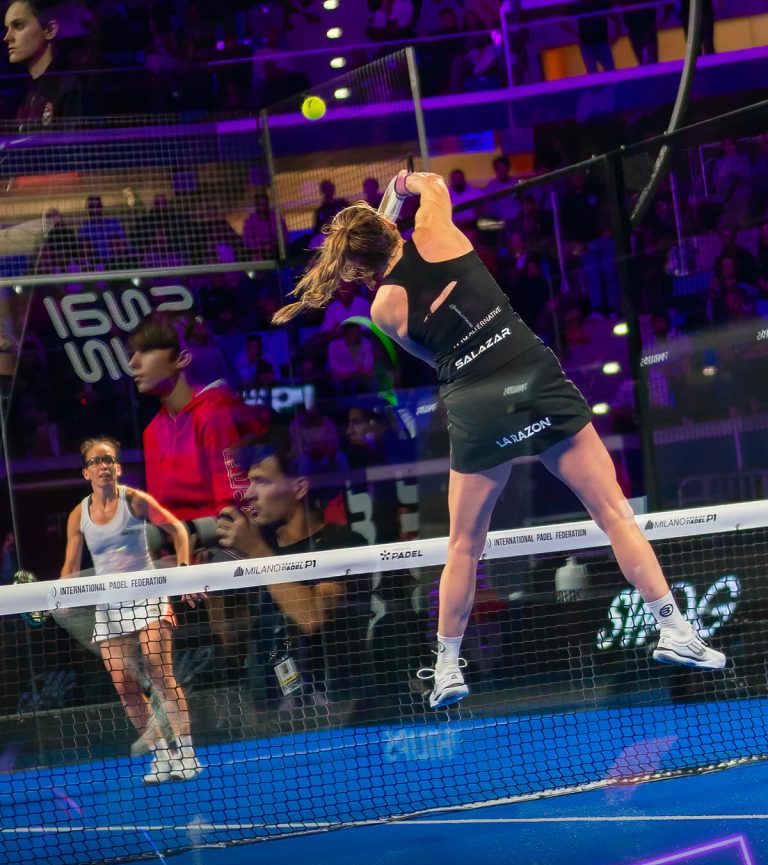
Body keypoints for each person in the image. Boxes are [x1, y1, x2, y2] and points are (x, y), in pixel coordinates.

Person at [272, 171, 727, 709]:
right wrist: (400, 185)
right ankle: (673, 627)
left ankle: (446, 668)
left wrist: (383, 244)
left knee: (464, 546)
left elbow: (433, 357)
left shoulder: (382, 310)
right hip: (531, 376)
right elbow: (431, 183)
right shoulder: (435, 229)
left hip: (474, 403)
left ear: (358, 264)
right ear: (390, 229)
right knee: (614, 514)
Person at [128, 312, 269, 683]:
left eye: (144, 351)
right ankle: (162, 695)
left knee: (216, 576)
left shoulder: (218, 411)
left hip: (235, 548)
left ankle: (243, 680)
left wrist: (191, 550)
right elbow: (161, 517)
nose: (133, 363)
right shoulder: (153, 430)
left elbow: (240, 510)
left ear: (181, 358)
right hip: (186, 553)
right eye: (132, 353)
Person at [60, 436, 200, 783]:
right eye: (95, 461)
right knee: (124, 686)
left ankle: (187, 754)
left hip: (149, 595)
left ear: (118, 468)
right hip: (109, 606)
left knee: (159, 671)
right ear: (86, 472)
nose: (102, 466)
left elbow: (178, 531)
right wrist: (58, 597)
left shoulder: (135, 501)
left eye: (108, 459)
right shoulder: (78, 515)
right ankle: (162, 756)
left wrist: (184, 571)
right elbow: (70, 568)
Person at [215, 435, 370, 709]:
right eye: (249, 482)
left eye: (262, 481)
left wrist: (257, 551)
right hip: (268, 708)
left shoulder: (344, 544)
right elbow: (232, 647)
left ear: (299, 488)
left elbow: (311, 618)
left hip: (333, 705)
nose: (249, 494)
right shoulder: (252, 547)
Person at [4, 0, 83, 124]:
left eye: (18, 26)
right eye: (7, 28)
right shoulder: (30, 93)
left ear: (50, 30)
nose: (7, 37)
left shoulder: (70, 88)